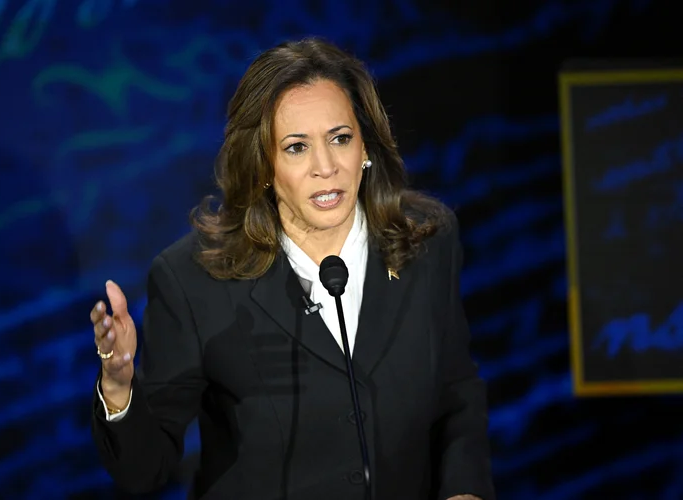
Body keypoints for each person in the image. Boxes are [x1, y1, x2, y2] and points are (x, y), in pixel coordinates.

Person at [90, 37, 495, 500]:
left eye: (340, 139)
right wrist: (119, 390)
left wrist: (466, 491)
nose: (326, 167)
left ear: (366, 145)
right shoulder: (192, 280)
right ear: (263, 163)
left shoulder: (427, 239)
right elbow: (146, 471)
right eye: (297, 148)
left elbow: (456, 389)